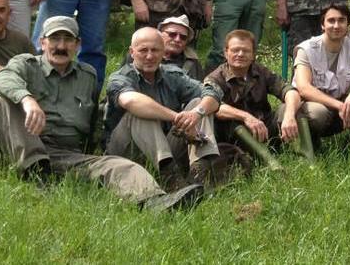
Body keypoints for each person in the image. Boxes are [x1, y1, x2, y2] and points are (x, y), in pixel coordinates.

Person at [0, 17, 202, 211]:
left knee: (122, 167)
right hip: (23, 145)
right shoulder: (26, 65)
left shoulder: (87, 76)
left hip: (66, 154)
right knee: (4, 99)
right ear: (42, 42)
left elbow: (92, 119)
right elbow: (3, 78)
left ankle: (156, 201)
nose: (61, 46)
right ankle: (34, 172)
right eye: (54, 39)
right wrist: (27, 99)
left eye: (68, 40)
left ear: (78, 45)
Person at [105, 27, 247, 190]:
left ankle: (199, 172)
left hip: (166, 149)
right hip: (126, 152)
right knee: (140, 113)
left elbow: (213, 94)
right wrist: (178, 118)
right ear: (132, 52)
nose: (150, 56)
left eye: (155, 50)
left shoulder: (172, 75)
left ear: (163, 51)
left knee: (198, 103)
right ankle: (170, 178)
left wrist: (196, 114)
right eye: (143, 50)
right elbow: (131, 101)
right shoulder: (119, 77)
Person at [292, 3, 350, 155]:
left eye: (341, 20)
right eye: (331, 21)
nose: (336, 25)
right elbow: (304, 88)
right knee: (318, 113)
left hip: (342, 108)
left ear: (348, 24)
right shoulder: (306, 49)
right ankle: (311, 145)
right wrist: (339, 106)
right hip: (314, 107)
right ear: (323, 25)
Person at [205, 30, 306, 168]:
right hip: (238, 136)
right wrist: (246, 117)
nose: (240, 54)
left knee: (290, 107)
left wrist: (289, 115)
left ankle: (305, 159)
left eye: (246, 51)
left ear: (253, 55)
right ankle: (271, 164)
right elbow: (216, 107)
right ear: (226, 53)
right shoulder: (215, 78)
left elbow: (289, 90)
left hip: (266, 127)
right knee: (233, 124)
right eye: (235, 50)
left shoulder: (260, 71)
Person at [156, 15, 203, 80]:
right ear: (160, 35)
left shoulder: (193, 64)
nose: (177, 39)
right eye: (172, 34)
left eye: (183, 37)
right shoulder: (145, 56)